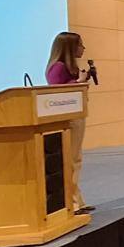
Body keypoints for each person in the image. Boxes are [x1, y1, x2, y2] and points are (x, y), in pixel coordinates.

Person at [46, 31, 93, 214]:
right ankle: (71, 203)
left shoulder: (68, 66)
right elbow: (57, 94)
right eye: (80, 44)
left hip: (77, 116)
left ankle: (77, 201)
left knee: (75, 159)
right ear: (70, 47)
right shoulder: (57, 67)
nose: (83, 48)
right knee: (70, 160)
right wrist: (78, 82)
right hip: (68, 119)